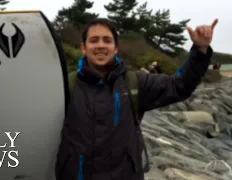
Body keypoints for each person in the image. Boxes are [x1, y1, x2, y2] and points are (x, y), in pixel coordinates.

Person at [55, 17, 217, 180]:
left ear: (116, 48)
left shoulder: (135, 83)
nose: (101, 45)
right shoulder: (65, 86)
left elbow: (179, 85)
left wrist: (200, 50)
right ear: (84, 47)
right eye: (94, 40)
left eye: (107, 40)